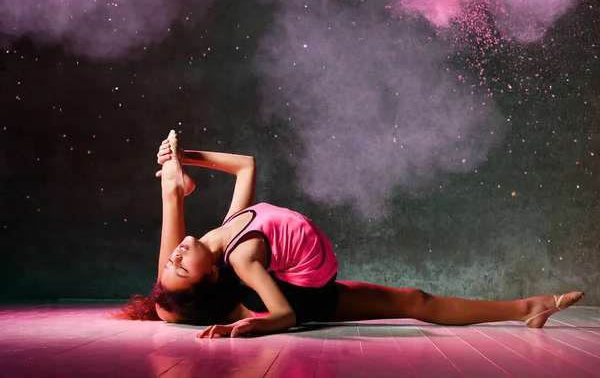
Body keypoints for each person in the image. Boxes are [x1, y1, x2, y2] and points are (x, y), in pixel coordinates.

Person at [116, 131, 584, 338]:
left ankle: (532, 309)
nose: (175, 255)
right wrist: (252, 326)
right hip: (304, 298)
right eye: (180, 266)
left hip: (296, 282)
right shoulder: (240, 260)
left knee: (413, 299)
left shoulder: (227, 232)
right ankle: (526, 308)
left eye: (171, 262)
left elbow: (246, 165)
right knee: (413, 301)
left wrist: (184, 158)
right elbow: (284, 315)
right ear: (214, 276)